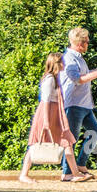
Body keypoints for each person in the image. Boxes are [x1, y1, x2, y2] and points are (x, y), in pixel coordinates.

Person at [19, 53, 91, 183]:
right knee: (36, 143)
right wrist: (46, 121)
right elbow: (45, 101)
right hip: (48, 114)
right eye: (62, 62)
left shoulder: (55, 79)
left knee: (66, 142)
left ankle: (74, 173)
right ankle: (24, 174)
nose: (64, 64)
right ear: (56, 64)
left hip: (55, 113)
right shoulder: (50, 79)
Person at [60, 27, 97, 179]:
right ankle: (67, 172)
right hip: (73, 104)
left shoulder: (78, 57)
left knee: (95, 132)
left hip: (84, 104)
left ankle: (80, 164)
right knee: (71, 138)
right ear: (79, 43)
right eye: (86, 42)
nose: (88, 44)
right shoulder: (69, 58)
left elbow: (85, 74)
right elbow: (77, 79)